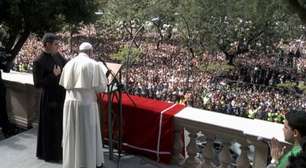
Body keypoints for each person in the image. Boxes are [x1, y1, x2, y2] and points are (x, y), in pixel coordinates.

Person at [59, 42, 108, 168]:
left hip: (69, 104)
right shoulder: (94, 64)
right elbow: (101, 88)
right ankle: (87, 163)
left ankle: (72, 163)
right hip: (86, 105)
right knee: (86, 135)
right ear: (90, 52)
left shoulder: (69, 64)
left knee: (72, 134)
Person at [32, 33, 67, 162]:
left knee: (59, 127)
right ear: (47, 44)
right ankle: (49, 155)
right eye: (56, 44)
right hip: (49, 98)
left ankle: (59, 152)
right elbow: (37, 84)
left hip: (60, 96)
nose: (58, 46)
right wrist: (53, 75)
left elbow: (66, 65)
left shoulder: (57, 55)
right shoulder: (38, 61)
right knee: (50, 128)